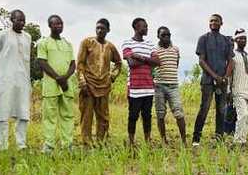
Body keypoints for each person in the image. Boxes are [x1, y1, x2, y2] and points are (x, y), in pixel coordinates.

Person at [0, 9, 33, 149]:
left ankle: (21, 144)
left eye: (23, 20)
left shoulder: (28, 37)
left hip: (23, 79)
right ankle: (1, 145)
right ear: (11, 20)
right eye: (18, 20)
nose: (21, 23)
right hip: (5, 79)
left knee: (23, 111)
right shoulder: (1, 35)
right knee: (3, 111)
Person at [76, 18, 122, 144]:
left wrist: (113, 75)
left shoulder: (110, 47)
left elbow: (118, 63)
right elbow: (80, 64)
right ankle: (87, 143)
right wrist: (82, 82)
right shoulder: (86, 42)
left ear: (108, 30)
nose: (100, 30)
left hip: (104, 86)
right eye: (98, 28)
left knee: (103, 116)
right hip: (88, 85)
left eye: (103, 28)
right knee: (87, 115)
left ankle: (102, 142)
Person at [192, 14, 233, 146]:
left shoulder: (226, 40)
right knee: (204, 108)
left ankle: (219, 138)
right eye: (211, 21)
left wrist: (225, 77)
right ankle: (196, 139)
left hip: (222, 81)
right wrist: (215, 76)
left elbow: (230, 61)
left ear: (221, 23)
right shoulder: (203, 39)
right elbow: (201, 61)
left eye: (216, 21)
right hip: (208, 81)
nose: (213, 22)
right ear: (209, 23)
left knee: (221, 110)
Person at [37, 14, 77, 150]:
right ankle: (49, 145)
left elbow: (73, 64)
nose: (59, 26)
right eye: (56, 24)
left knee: (68, 115)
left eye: (60, 23)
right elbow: (42, 62)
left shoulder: (68, 44)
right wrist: (58, 78)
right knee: (50, 116)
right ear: (50, 26)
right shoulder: (43, 43)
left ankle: (68, 144)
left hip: (67, 85)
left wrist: (65, 78)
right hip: (51, 85)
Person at [121, 17, 156, 147]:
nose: (146, 28)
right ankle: (131, 141)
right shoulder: (127, 43)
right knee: (133, 115)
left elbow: (157, 62)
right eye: (144, 26)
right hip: (135, 87)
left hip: (148, 87)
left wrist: (138, 56)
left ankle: (148, 141)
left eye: (146, 26)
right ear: (136, 27)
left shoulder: (150, 44)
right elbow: (131, 64)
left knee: (147, 116)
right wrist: (147, 60)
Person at [148, 26, 187, 145]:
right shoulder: (154, 50)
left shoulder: (175, 49)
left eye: (168, 35)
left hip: (173, 85)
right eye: (163, 35)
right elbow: (152, 68)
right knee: (160, 114)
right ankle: (164, 141)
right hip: (159, 86)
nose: (166, 37)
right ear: (158, 36)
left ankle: (184, 141)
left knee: (179, 113)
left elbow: (175, 65)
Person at [229, 29, 248, 144]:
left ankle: (243, 139)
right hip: (238, 90)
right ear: (236, 40)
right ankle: (237, 140)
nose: (242, 40)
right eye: (240, 38)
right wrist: (228, 91)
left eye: (244, 38)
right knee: (243, 115)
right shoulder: (232, 56)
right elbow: (230, 74)